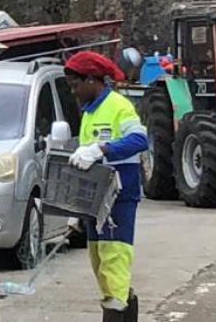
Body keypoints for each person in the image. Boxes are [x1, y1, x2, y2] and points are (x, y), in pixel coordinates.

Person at [64, 50, 148, 322]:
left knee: (115, 258)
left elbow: (139, 140)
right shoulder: (89, 113)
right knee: (99, 260)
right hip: (95, 197)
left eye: (76, 86)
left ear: (92, 80)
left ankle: (116, 312)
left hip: (119, 195)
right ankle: (124, 306)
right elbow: (83, 164)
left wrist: (102, 149)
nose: (74, 93)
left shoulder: (119, 106)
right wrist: (76, 208)